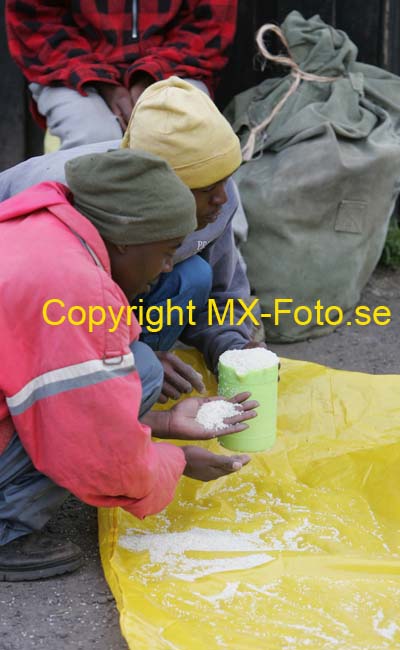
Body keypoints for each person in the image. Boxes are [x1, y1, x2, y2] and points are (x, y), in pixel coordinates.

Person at [0, 148, 257, 582]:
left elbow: (55, 394)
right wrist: (174, 461)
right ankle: (6, 529)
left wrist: (165, 422)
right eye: (167, 250)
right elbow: (97, 454)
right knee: (140, 369)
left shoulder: (45, 225)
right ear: (124, 240)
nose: (167, 267)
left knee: (135, 364)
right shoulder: (72, 287)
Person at [0, 77, 262, 404]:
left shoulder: (216, 198)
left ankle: (134, 388)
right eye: (208, 189)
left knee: (194, 276)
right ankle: (115, 397)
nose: (222, 199)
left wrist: (233, 347)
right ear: (158, 191)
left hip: (100, 297)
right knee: (139, 372)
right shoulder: (73, 212)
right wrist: (129, 358)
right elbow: (44, 323)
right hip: (29, 313)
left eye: (225, 180)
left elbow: (220, 294)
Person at [5, 0, 238, 148]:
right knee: (94, 143)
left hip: (174, 66)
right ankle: (83, 225)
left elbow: (208, 25)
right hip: (71, 70)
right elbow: (35, 22)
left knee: (186, 135)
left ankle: (212, 226)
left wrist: (151, 76)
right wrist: (100, 82)